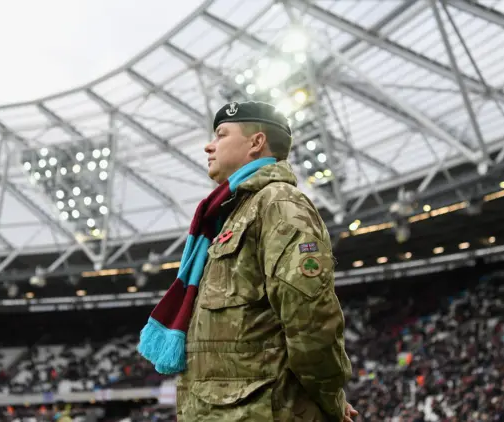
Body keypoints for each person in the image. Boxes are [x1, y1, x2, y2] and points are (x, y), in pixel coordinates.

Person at [140, 101, 356, 421]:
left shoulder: (279, 202)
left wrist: (329, 398)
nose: (208, 145)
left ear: (256, 143)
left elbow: (308, 313)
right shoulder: (228, 216)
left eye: (221, 134)